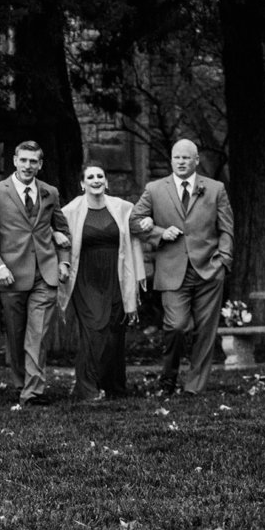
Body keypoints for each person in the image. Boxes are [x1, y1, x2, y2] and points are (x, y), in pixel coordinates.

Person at [133, 138, 234, 396]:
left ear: (196, 160)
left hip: (209, 270)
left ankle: (194, 387)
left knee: (205, 331)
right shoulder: (155, 189)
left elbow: (226, 228)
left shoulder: (215, 188)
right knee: (176, 326)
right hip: (171, 270)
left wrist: (223, 260)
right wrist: (157, 232)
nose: (181, 161)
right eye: (177, 157)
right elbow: (134, 221)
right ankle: (169, 377)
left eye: (186, 157)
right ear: (171, 160)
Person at [0, 141, 71, 405]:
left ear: (40, 165)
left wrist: (64, 262)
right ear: (15, 161)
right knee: (17, 334)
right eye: (24, 160)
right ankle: (21, 381)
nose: (28, 166)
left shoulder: (50, 192)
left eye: (34, 161)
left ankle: (33, 391)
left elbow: (63, 230)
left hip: (46, 271)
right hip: (12, 273)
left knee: (37, 334)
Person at [58, 164, 143, 401]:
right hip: (86, 277)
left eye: (100, 176)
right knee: (95, 328)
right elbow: (59, 239)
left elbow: (138, 231)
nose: (96, 180)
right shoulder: (69, 211)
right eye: (90, 177)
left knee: (115, 330)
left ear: (106, 182)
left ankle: (114, 385)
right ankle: (86, 387)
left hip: (117, 276)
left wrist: (148, 227)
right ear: (82, 184)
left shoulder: (123, 208)